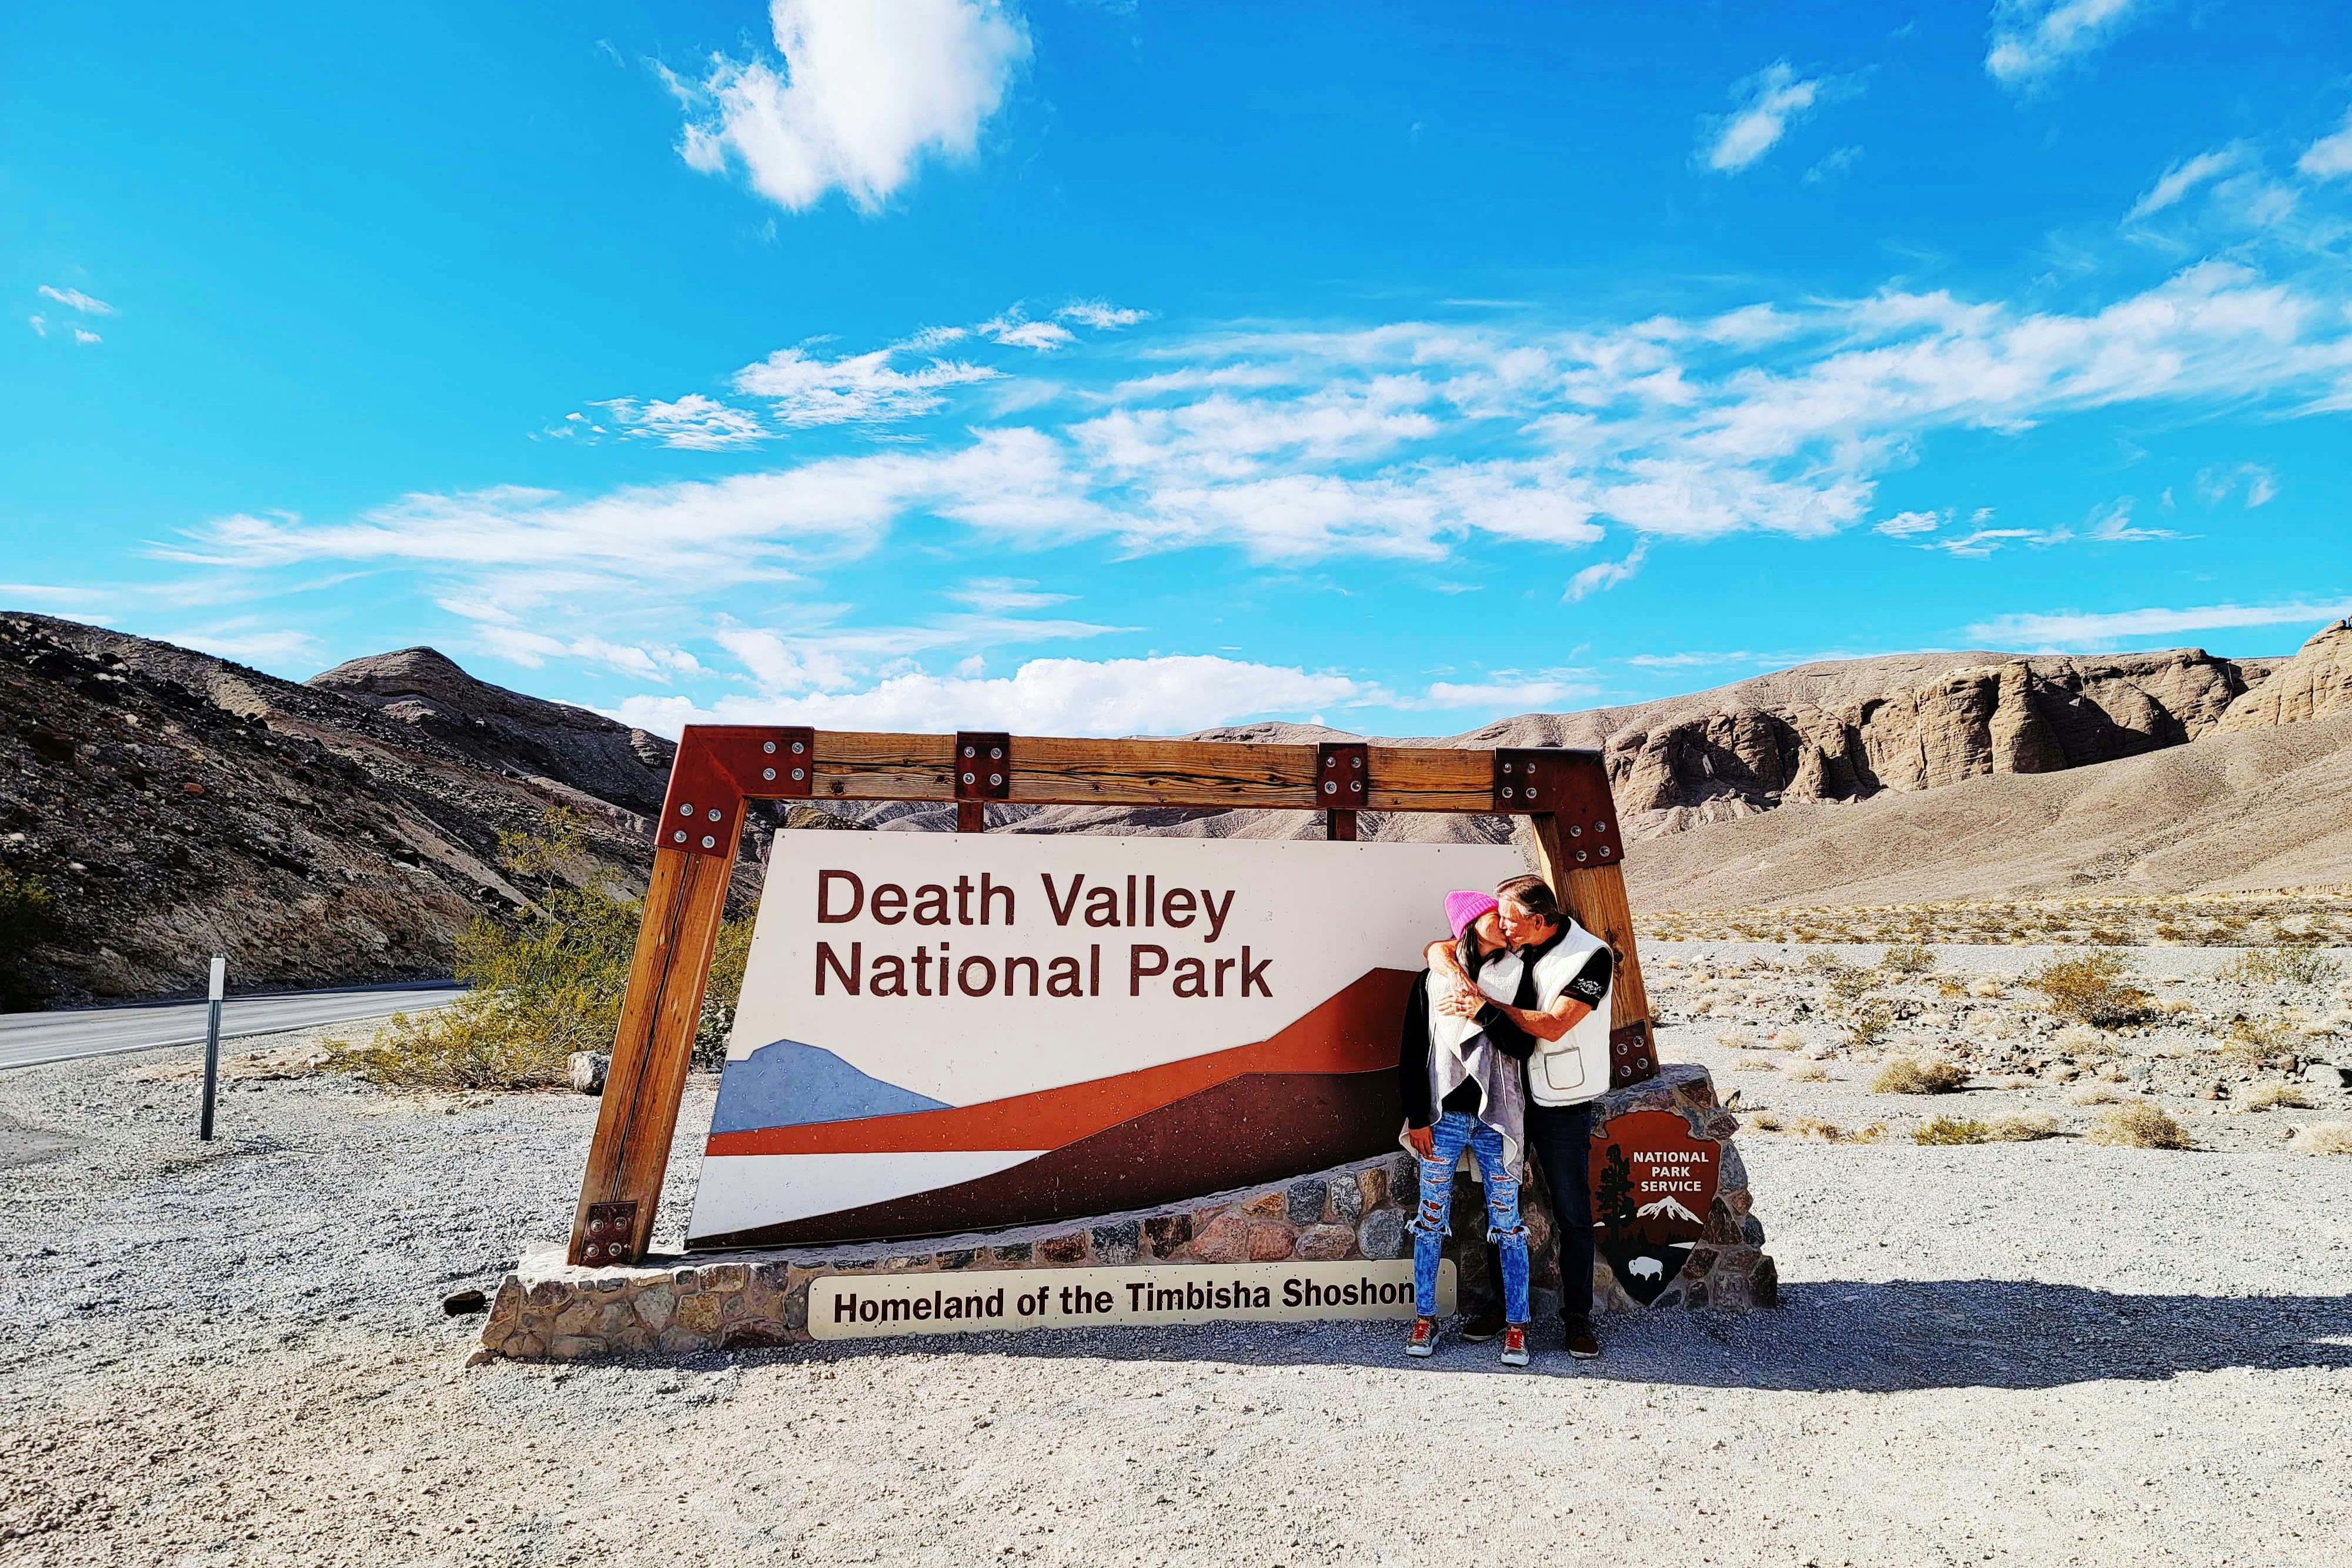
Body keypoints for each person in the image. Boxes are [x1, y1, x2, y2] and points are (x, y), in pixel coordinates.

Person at [1426, 874, 1613, 1360]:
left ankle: (1578, 1318)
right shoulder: (1516, 943)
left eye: (1508, 918)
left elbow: (1553, 1024)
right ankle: (1503, 1308)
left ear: (1537, 920)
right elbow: (1440, 946)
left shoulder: (1591, 957)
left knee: (1572, 1209)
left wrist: (1482, 1005)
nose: (1501, 926)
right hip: (1507, 1098)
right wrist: (1453, 973)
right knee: (1499, 1202)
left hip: (1560, 1101)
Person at [1394, 891, 1535, 1367]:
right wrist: (1417, 1118)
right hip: (1443, 1118)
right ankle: (1425, 1317)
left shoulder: (1517, 979)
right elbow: (1414, 1052)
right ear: (1472, 924)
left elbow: (1521, 1045)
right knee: (1430, 1221)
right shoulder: (1431, 982)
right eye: (1495, 917)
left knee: (1509, 1225)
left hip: (1498, 1118)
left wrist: (1479, 1008)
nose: (1504, 924)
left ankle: (1518, 1327)